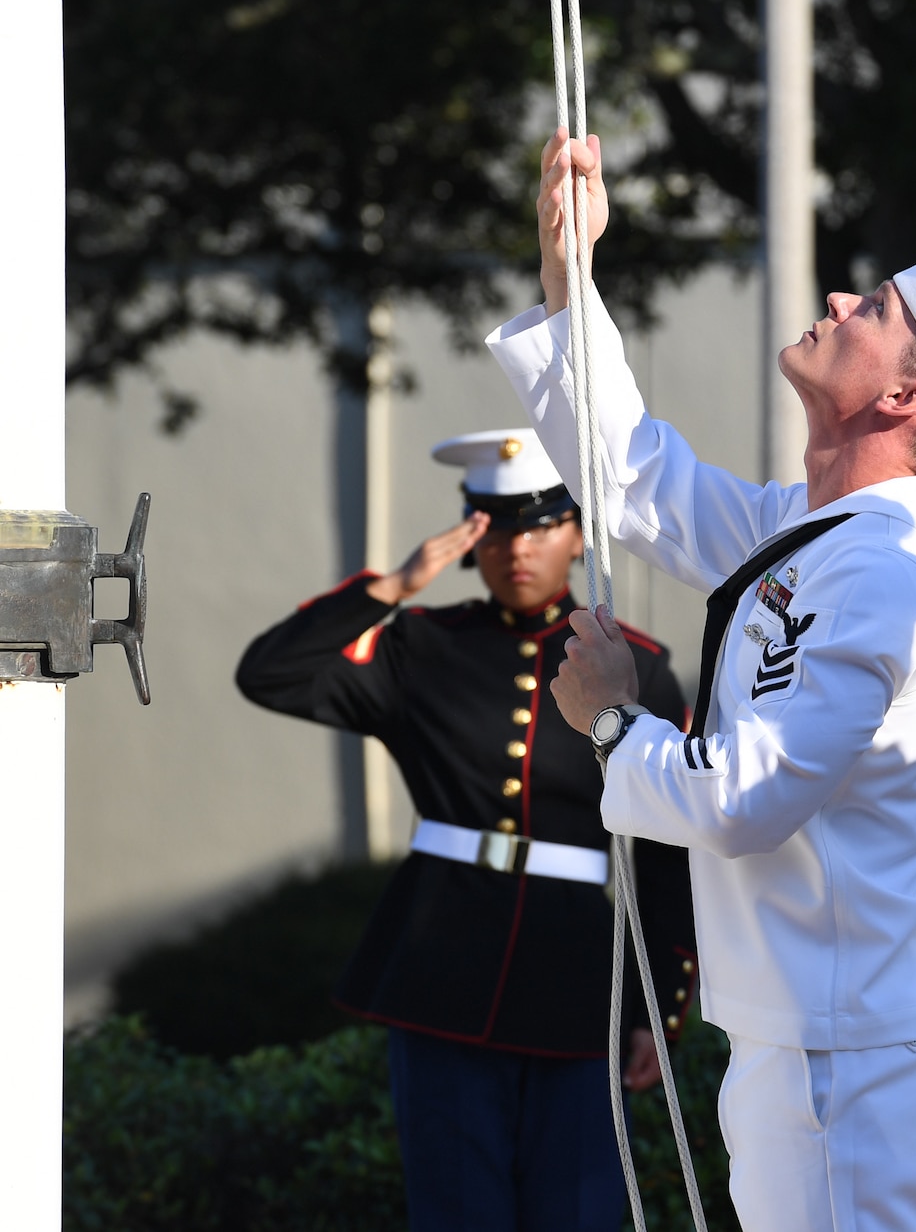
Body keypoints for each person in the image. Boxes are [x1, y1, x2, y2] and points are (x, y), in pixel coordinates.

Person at [484, 129, 916, 1232]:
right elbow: (636, 480)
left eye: (873, 312)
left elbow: (742, 797)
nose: (839, 298)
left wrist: (609, 725)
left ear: (901, 401)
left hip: (843, 1054)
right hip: (812, 1036)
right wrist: (569, 287)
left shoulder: (879, 571)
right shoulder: (821, 533)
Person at [236, 429, 697, 1232]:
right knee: (456, 1213)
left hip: (583, 978)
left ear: (579, 533)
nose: (518, 548)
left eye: (540, 525)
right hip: (442, 969)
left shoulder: (630, 666)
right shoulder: (421, 647)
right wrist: (393, 587)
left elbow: (664, 849)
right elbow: (271, 672)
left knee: (581, 1213)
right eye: (495, 527)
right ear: (469, 536)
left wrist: (663, 1000)